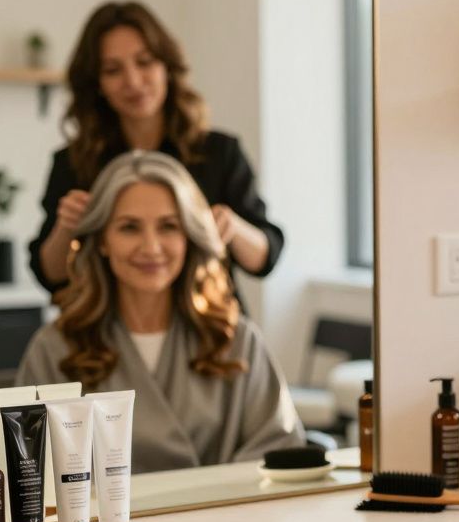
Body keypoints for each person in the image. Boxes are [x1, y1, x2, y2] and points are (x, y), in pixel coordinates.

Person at [17, 151, 304, 473]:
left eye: (168, 226)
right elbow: (28, 471)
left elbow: (279, 450)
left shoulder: (238, 341)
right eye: (129, 227)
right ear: (102, 241)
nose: (151, 247)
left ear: (189, 237)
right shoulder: (54, 349)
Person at [29, 0, 282, 304]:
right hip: (107, 327)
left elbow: (266, 258)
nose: (133, 81)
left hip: (210, 320)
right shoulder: (74, 162)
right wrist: (66, 228)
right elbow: (50, 275)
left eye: (145, 62)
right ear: (97, 83)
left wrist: (234, 227)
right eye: (113, 70)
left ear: (167, 67)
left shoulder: (219, 153)